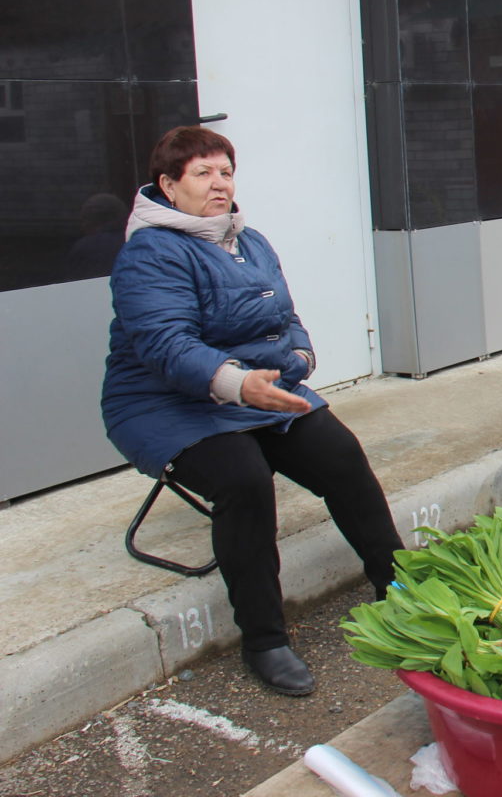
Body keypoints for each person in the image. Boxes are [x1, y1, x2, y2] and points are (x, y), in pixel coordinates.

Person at [101, 126, 404, 696]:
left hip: (257, 389)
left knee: (339, 452)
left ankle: (400, 588)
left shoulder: (251, 239)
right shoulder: (149, 252)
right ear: (168, 186)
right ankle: (264, 640)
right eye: (202, 174)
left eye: (225, 172)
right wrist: (239, 385)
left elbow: (286, 316)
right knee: (244, 478)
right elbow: (167, 347)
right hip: (163, 403)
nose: (219, 184)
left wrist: (300, 355)